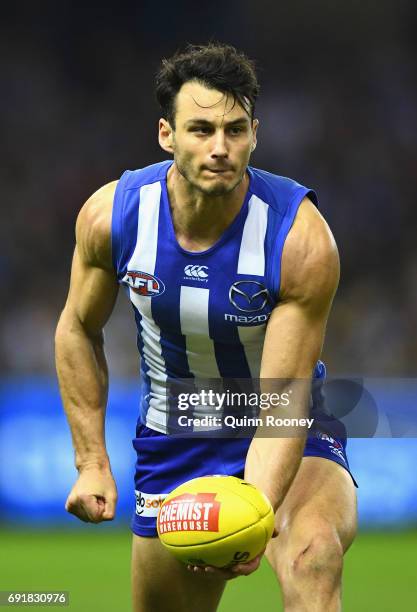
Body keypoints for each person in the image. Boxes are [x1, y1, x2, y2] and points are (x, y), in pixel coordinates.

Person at [55, 43, 357, 612]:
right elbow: (76, 328)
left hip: (285, 418)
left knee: (313, 554)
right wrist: (91, 461)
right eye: (200, 129)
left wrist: (256, 511)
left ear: (254, 134)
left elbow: (283, 401)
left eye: (235, 130)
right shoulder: (111, 217)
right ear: (167, 134)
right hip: (178, 430)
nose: (220, 148)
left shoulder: (299, 239)